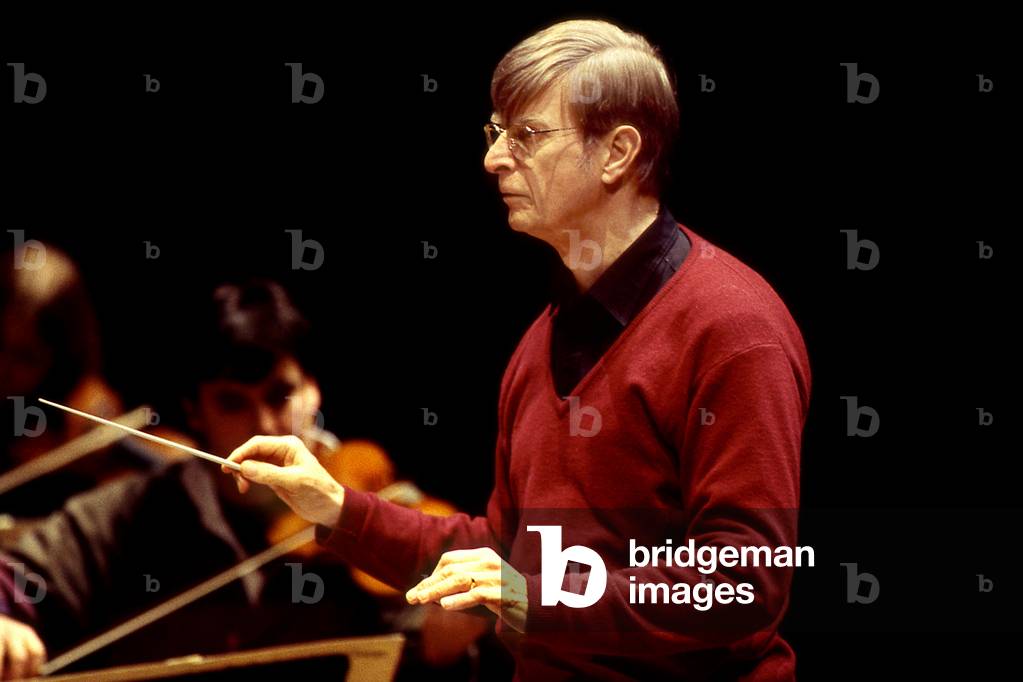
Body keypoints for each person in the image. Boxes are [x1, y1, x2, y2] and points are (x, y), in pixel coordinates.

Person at [225, 20, 811, 681]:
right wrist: (334, 504)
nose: (493, 158)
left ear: (616, 153)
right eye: (494, 132)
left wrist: (539, 600)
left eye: (525, 135)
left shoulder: (733, 327)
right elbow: (506, 553)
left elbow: (739, 588)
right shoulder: (543, 339)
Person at [0, 281, 489, 679]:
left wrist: (449, 634)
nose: (264, 425)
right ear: (194, 411)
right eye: (233, 403)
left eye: (280, 396)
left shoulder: (366, 511)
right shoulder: (135, 511)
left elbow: (420, 647)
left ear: (313, 391)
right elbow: (17, 578)